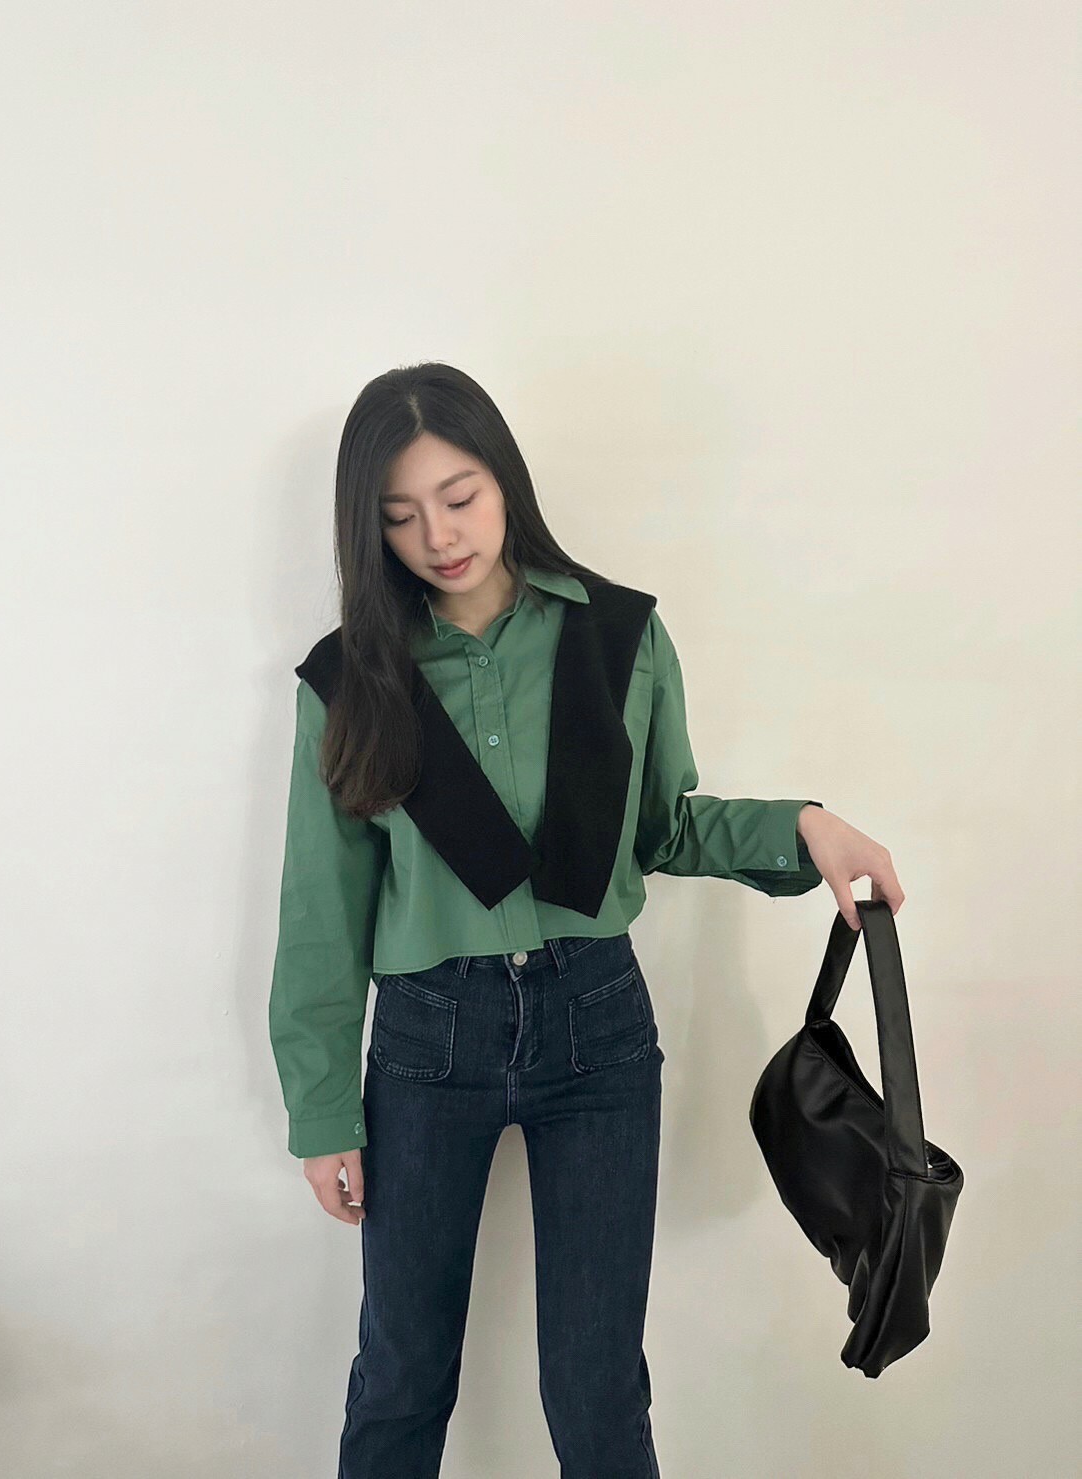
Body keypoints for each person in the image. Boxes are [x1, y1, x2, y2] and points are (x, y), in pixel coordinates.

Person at [268, 362, 905, 1479]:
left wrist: (801, 827)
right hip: (425, 1042)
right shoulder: (349, 683)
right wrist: (323, 1110)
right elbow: (323, 912)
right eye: (400, 514)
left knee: (597, 1385)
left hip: (596, 1026)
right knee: (402, 1375)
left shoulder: (621, 637)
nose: (437, 536)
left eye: (459, 496)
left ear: (504, 480)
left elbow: (658, 827)